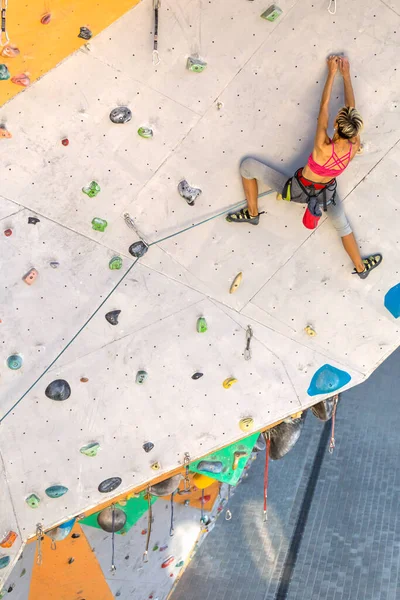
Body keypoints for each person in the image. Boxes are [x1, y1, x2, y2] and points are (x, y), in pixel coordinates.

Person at [226, 56, 382, 279]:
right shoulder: (354, 144)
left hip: (298, 190)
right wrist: (346, 76)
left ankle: (252, 213)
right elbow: (351, 109)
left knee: (247, 167)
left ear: (337, 125)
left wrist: (331, 74)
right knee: (342, 226)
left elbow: (324, 107)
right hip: (326, 195)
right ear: (354, 131)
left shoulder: (322, 145)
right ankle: (360, 267)